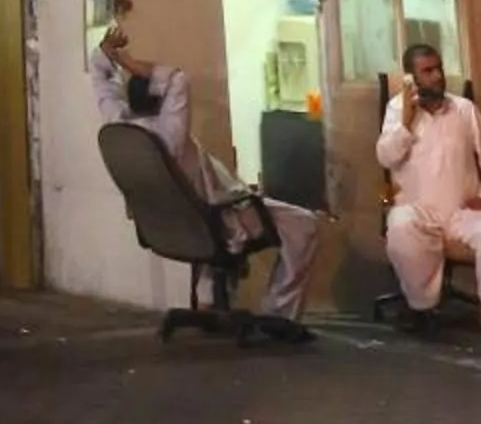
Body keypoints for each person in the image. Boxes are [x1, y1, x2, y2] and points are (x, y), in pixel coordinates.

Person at [93, 18, 321, 335]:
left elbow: (103, 86)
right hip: (218, 221)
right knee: (304, 224)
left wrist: (106, 55)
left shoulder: (121, 128)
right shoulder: (168, 137)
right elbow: (178, 79)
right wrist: (128, 61)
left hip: (172, 227)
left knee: (209, 207)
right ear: (164, 101)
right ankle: (280, 314)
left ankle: (208, 301)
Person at [376, 42, 481, 337]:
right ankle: (422, 308)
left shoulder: (464, 109)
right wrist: (406, 123)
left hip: (462, 213)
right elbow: (386, 157)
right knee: (400, 226)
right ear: (411, 78)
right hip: (418, 212)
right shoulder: (396, 110)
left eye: (438, 68)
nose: (438, 76)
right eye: (428, 71)